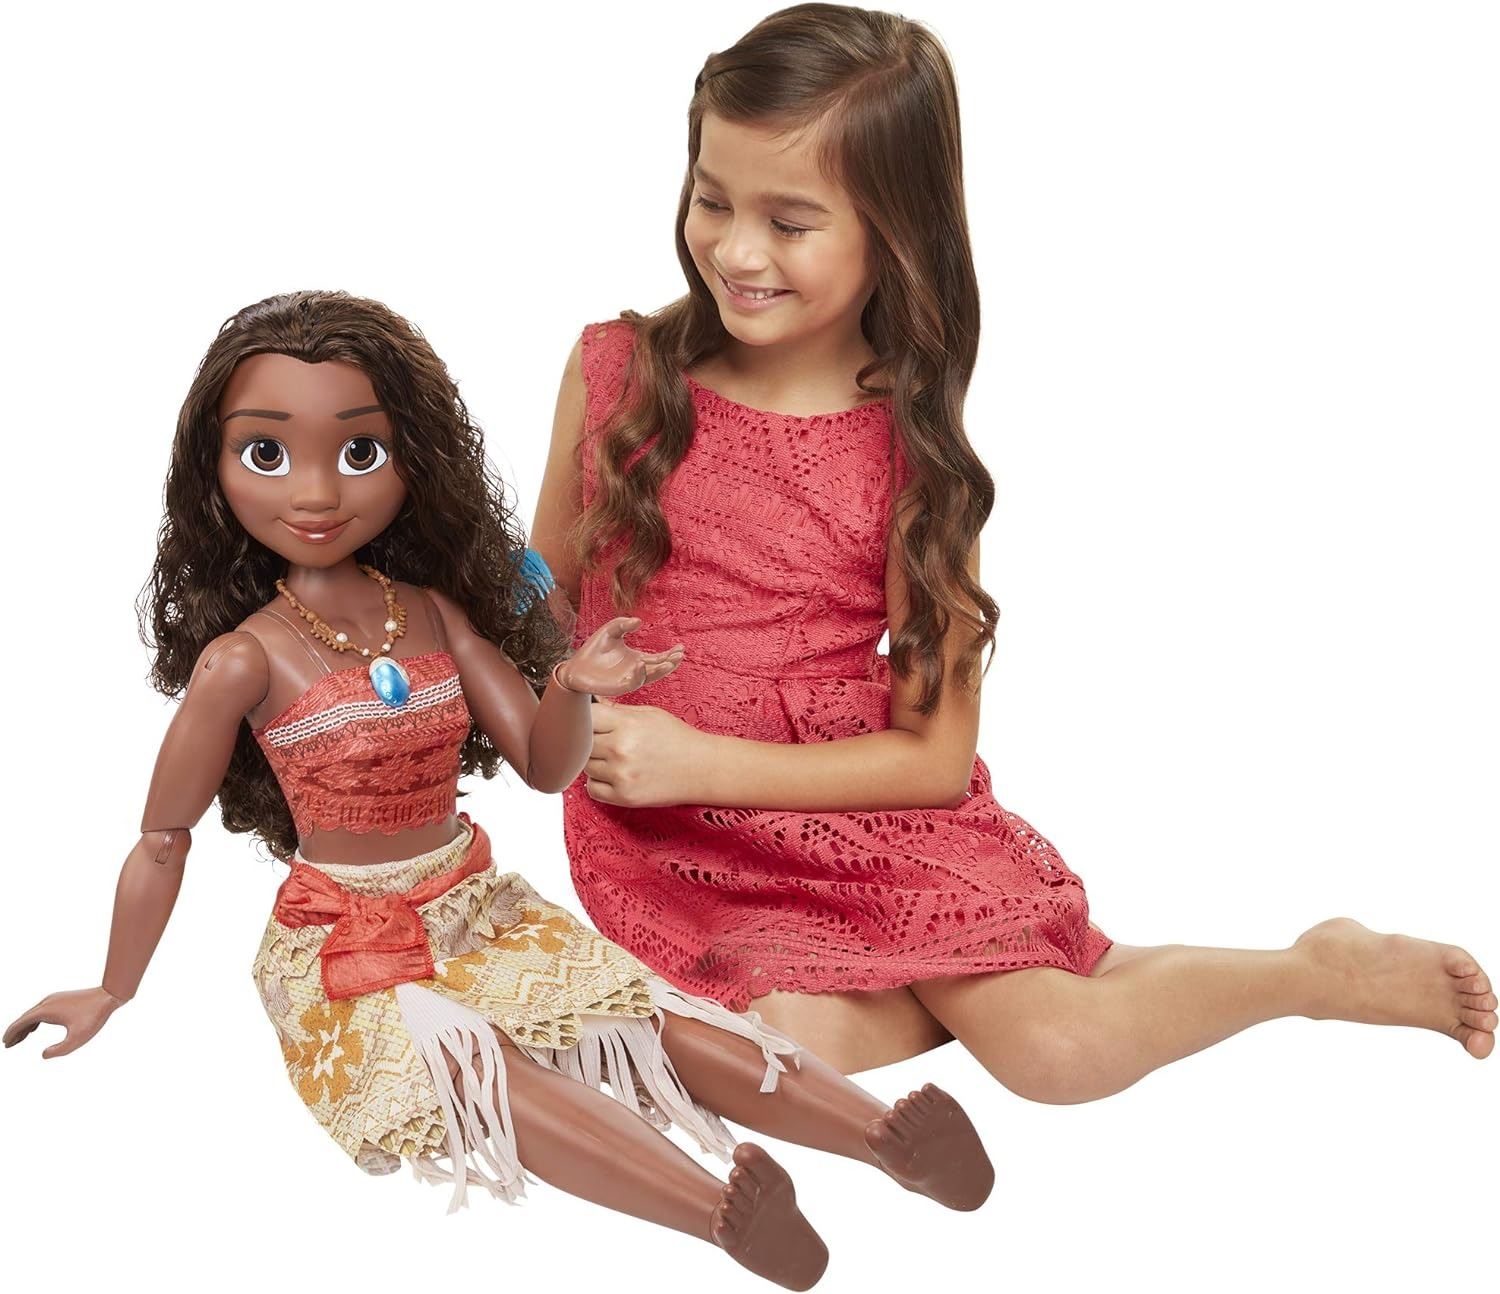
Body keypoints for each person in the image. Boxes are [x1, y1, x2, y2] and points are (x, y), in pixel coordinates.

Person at [530, 3, 1495, 1093]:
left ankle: (1308, 973)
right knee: (792, 1048)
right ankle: (1011, 974)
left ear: (891, 232)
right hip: (669, 837)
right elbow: (537, 600)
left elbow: (932, 757)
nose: (737, 250)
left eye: (790, 222)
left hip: (855, 813)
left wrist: (703, 760)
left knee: (1054, 1054)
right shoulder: (618, 372)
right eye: (713, 200)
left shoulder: (912, 452)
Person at [2, 290, 993, 1293]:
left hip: (475, 904)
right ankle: (720, 1212)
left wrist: (571, 684)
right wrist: (113, 987)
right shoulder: (241, 661)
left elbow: (543, 764)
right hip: (351, 943)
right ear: (214, 473)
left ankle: (886, 1137)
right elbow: (163, 837)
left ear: (413, 460)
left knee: (630, 1010)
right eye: (267, 453)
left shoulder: (434, 615)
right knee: (484, 1068)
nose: (316, 491)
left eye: (359, 452)